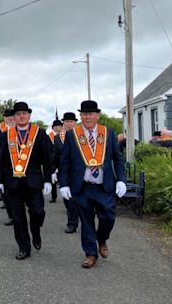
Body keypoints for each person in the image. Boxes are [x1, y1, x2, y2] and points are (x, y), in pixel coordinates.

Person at [59, 100, 127, 269]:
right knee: (86, 221)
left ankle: (102, 239)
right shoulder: (72, 135)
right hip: (82, 186)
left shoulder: (108, 133)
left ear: (98, 115)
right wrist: (64, 184)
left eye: (90, 114)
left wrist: (121, 180)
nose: (87, 117)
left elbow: (118, 159)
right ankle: (90, 254)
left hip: (104, 186)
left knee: (108, 218)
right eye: (84, 114)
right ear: (80, 116)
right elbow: (65, 162)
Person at [0, 102, 53, 260]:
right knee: (18, 217)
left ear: (29, 115)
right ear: (14, 117)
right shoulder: (5, 135)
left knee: (38, 212)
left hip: (33, 182)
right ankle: (24, 247)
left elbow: (47, 159)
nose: (21, 116)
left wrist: (48, 179)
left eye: (24, 113)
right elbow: (2, 159)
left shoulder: (39, 134)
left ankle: (36, 231)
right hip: (12, 183)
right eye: (18, 114)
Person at [54, 112, 80, 233]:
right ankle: (72, 223)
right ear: (63, 123)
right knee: (68, 198)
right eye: (67, 122)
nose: (69, 124)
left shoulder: (81, 135)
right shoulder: (58, 137)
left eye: (71, 122)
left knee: (81, 198)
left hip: (80, 171)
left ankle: (84, 219)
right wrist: (53, 170)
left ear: (75, 123)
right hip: (64, 171)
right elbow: (54, 155)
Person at [0, 108, 16, 226]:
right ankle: (12, 216)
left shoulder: (22, 129)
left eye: (12, 116)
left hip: (20, 165)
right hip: (4, 164)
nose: (10, 118)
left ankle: (19, 212)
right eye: (8, 117)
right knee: (7, 194)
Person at [48, 119, 63, 202]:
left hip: (61, 160)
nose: (59, 128)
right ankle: (53, 196)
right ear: (53, 127)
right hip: (51, 159)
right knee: (52, 178)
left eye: (61, 126)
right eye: (57, 126)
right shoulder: (48, 137)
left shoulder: (63, 136)